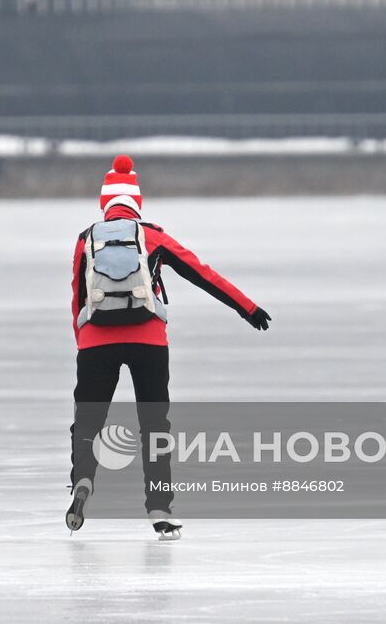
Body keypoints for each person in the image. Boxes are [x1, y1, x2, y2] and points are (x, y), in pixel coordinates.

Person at [66, 155, 271, 540]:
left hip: (95, 344)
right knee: (154, 427)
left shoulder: (86, 239)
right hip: (148, 342)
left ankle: (83, 479)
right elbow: (203, 274)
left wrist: (85, 343)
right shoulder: (153, 236)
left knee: (89, 420)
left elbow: (78, 299)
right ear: (136, 203)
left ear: (104, 204)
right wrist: (247, 307)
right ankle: (159, 507)